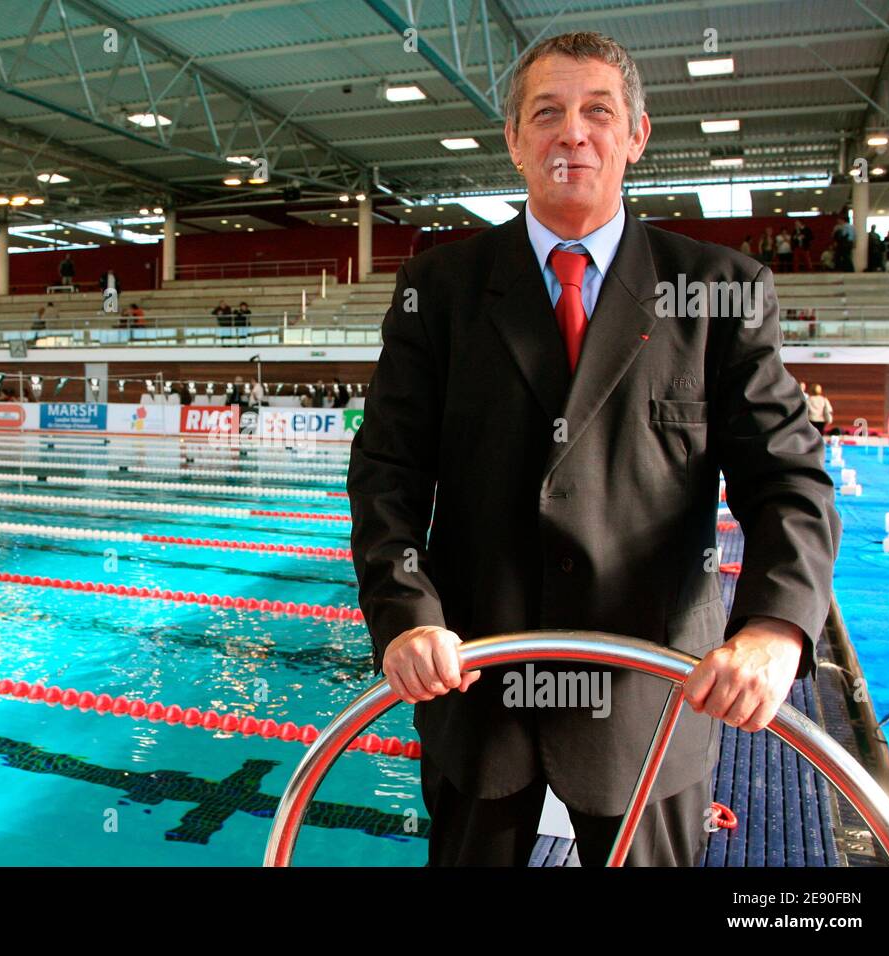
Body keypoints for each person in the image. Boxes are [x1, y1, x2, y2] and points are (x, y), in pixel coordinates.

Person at [347, 30, 840, 868]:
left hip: (648, 694)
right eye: (547, 113)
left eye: (596, 112)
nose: (571, 133)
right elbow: (388, 467)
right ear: (513, 139)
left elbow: (786, 475)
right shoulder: (441, 288)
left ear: (636, 135)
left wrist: (774, 628)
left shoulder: (717, 289)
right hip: (477, 685)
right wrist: (404, 615)